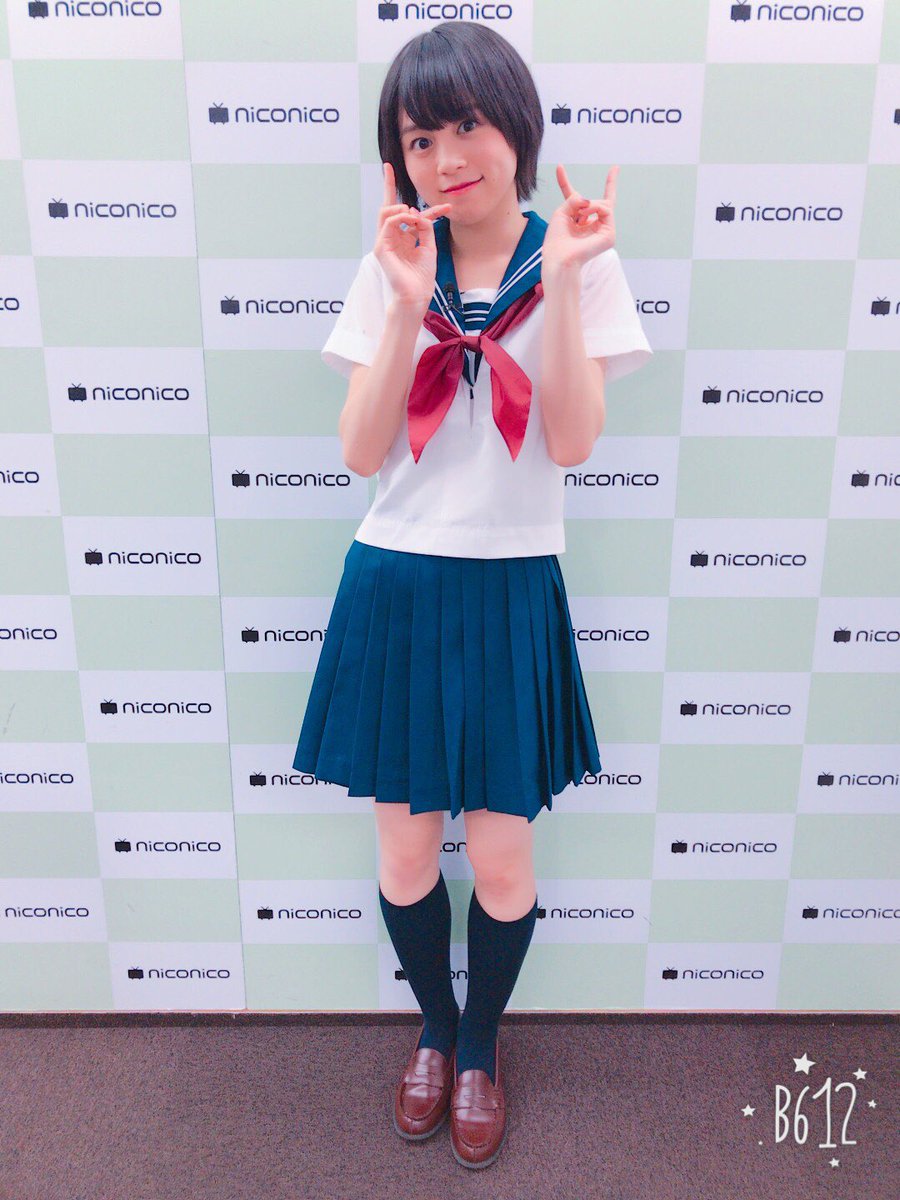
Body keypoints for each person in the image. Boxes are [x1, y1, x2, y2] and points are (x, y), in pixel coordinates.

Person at [292, 21, 652, 1170]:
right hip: (396, 585)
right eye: (418, 139)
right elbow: (360, 453)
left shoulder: (578, 255)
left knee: (501, 864)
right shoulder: (393, 262)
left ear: (515, 128)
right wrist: (406, 301)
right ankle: (436, 1034)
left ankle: (483, 1044)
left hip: (510, 593)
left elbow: (574, 442)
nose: (447, 157)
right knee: (405, 860)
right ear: (396, 161)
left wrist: (569, 283)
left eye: (466, 125)